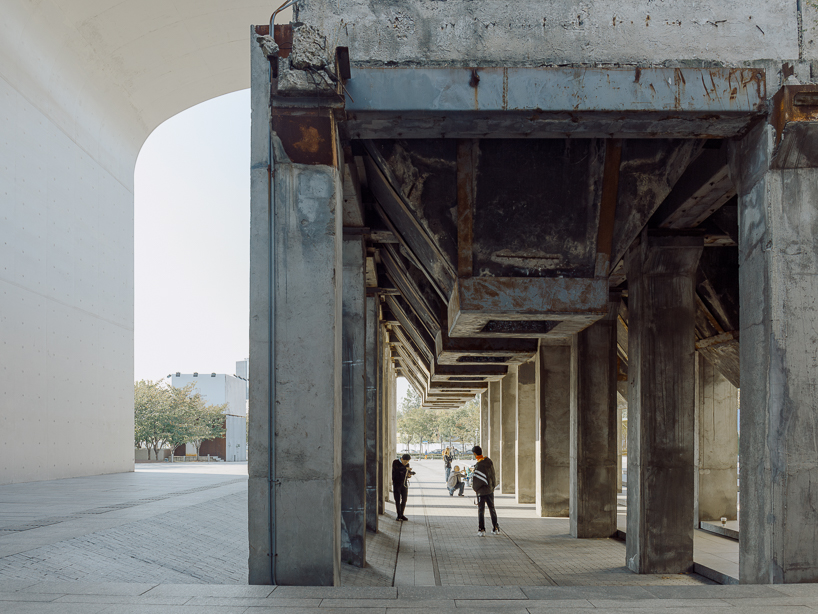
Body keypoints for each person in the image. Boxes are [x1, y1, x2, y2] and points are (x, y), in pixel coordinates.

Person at [471, 445, 500, 536]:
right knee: (492, 509)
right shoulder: (489, 461)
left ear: (475, 454)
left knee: (481, 510)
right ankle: (495, 528)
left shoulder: (479, 465)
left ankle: (481, 530)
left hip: (481, 491)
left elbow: (476, 480)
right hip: (490, 490)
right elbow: (493, 475)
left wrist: (475, 489)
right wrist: (492, 487)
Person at [391, 453, 414, 521]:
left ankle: (402, 514)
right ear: (402, 459)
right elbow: (397, 470)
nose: (406, 463)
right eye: (405, 461)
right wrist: (405, 468)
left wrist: (409, 474)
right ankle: (398, 515)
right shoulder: (395, 462)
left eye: (407, 462)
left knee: (404, 500)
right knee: (397, 500)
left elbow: (406, 473)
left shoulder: (407, 465)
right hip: (397, 483)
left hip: (404, 483)